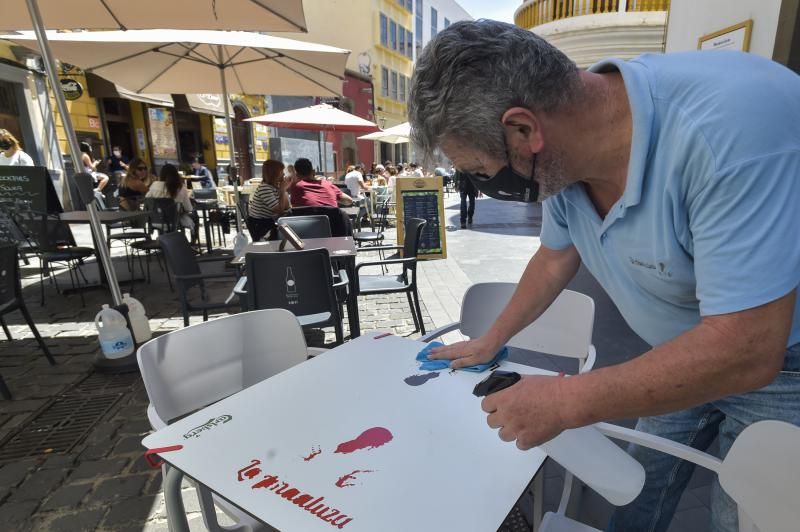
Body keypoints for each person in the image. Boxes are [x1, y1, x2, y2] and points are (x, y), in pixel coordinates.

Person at [409, 20, 800, 532]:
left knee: (745, 519)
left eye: (481, 171)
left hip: (782, 366)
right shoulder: (565, 158)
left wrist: (566, 400)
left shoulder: (731, 130)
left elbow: (747, 350)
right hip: (680, 351)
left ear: (524, 130)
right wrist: (492, 339)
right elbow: (553, 258)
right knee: (635, 502)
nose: (484, 187)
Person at [247, 159, 291, 242]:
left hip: (268, 221)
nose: (284, 174)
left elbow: (286, 207)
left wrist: (284, 190)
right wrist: (282, 190)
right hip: (259, 224)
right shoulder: (265, 188)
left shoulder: (274, 187)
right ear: (274, 173)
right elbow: (279, 210)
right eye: (281, 171)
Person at [146, 163, 195, 230]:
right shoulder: (180, 187)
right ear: (176, 175)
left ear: (161, 175)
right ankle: (193, 238)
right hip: (175, 221)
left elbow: (147, 200)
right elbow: (188, 208)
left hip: (156, 222)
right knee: (195, 216)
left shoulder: (154, 185)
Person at [289, 158, 353, 208]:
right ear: (313, 171)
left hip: (307, 223)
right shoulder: (327, 184)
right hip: (333, 223)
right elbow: (349, 201)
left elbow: (294, 207)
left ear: (297, 175)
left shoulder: (296, 188)